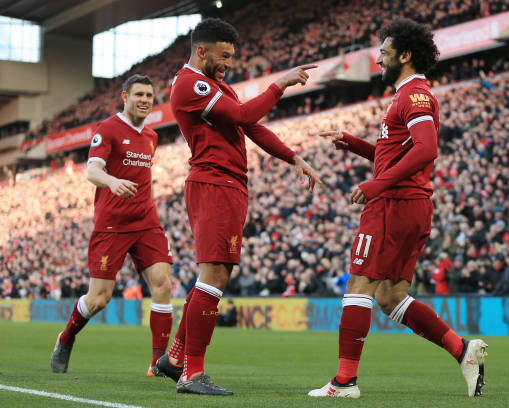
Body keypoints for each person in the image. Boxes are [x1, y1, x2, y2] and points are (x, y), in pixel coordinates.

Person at [308, 19, 488, 399]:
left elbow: (426, 149)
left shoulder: (415, 95)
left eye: (384, 53)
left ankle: (344, 383)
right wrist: (354, 144)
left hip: (393, 204)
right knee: (390, 297)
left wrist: (376, 185)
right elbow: (398, 154)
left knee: (359, 284)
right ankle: (462, 350)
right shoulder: (407, 96)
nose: (378, 59)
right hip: (410, 204)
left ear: (405, 55)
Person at [154, 18, 321, 396]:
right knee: (213, 275)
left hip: (228, 184)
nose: (229, 63)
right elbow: (246, 116)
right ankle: (192, 373)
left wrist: (292, 156)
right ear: (201, 51)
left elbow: (250, 127)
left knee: (215, 275)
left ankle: (176, 358)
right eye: (224, 56)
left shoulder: (216, 85)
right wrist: (279, 84)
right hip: (213, 183)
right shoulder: (189, 83)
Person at [50, 75, 174, 377]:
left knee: (162, 283)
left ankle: (157, 364)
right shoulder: (107, 129)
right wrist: (112, 181)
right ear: (125, 97)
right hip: (112, 225)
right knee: (99, 299)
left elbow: (145, 178)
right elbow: (92, 171)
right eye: (139, 95)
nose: (145, 100)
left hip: (146, 222)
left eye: (149, 95)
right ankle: (66, 338)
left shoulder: (151, 136)